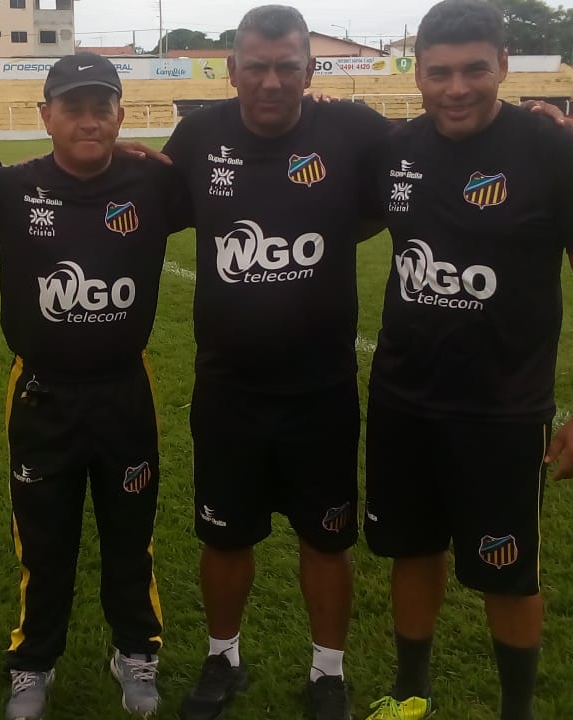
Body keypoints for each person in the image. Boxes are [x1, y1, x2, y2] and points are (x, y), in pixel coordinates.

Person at [360, 2, 573, 719]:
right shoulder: (396, 150)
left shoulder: (553, 150)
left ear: (503, 67)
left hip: (503, 412)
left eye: (475, 69)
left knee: (507, 574)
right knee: (412, 554)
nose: (457, 87)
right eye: (440, 72)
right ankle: (411, 695)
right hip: (402, 402)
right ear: (416, 74)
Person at [160, 7, 392, 720]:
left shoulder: (353, 131)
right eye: (255, 67)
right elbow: (135, 198)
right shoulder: (198, 136)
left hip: (321, 389)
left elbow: (433, 164)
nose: (270, 81)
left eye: (286, 66)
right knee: (223, 535)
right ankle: (222, 658)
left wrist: (533, 119)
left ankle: (329, 674)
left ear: (309, 70)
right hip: (228, 390)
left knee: (326, 538)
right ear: (230, 71)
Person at [0, 53, 189, 720]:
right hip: (42, 393)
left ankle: (135, 650)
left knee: (130, 533)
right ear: (46, 115)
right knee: (43, 538)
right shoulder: (10, 187)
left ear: (121, 113)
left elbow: (243, 171)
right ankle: (33, 664)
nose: (89, 120)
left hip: (124, 390)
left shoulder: (154, 182)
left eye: (102, 107)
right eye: (73, 107)